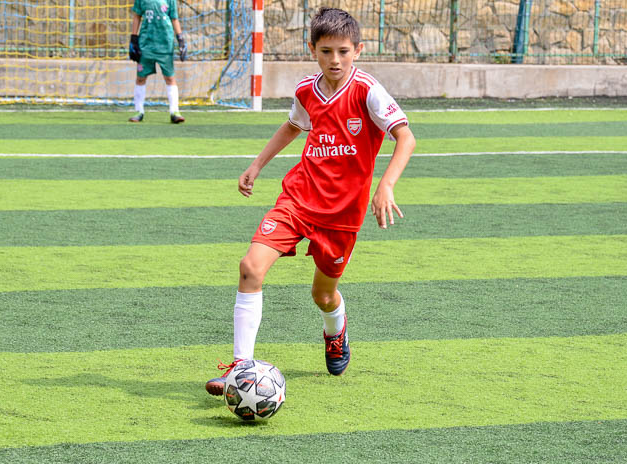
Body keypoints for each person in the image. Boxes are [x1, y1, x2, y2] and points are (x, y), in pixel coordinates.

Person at [205, 7, 416, 396]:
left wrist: (385, 185)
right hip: (298, 199)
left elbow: (406, 137)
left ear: (358, 50)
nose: (335, 60)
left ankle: (335, 331)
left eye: (343, 51)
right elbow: (292, 125)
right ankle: (240, 366)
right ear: (312, 50)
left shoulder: (367, 90)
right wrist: (257, 165)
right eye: (326, 51)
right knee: (250, 267)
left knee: (322, 294)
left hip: (342, 215)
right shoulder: (307, 90)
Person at [128, 0, 187, 123]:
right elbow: (137, 16)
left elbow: (174, 18)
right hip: (146, 44)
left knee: (170, 78)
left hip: (165, 44)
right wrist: (134, 38)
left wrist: (180, 39)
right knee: (140, 77)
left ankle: (174, 111)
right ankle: (139, 111)